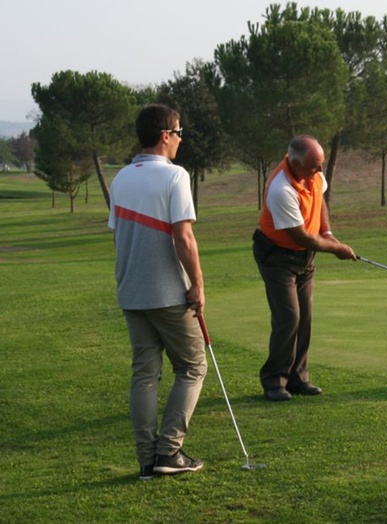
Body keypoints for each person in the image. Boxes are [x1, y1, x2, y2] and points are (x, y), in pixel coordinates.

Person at [108, 103, 207, 480]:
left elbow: (120, 235)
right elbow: (183, 237)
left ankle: (148, 459)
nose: (181, 140)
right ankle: (170, 451)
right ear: (165, 135)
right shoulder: (175, 176)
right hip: (169, 293)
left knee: (144, 374)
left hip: (131, 291)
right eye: (179, 133)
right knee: (193, 366)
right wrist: (197, 284)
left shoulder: (120, 179)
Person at [253, 135, 357, 402]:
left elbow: (320, 201)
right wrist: (336, 249)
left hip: (304, 257)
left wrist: (329, 232)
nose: (320, 171)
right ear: (296, 163)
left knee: (305, 316)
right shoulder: (281, 189)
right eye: (314, 166)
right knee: (289, 317)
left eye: (320, 164)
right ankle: (274, 381)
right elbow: (301, 237)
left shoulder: (313, 173)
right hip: (276, 256)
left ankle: (298, 378)